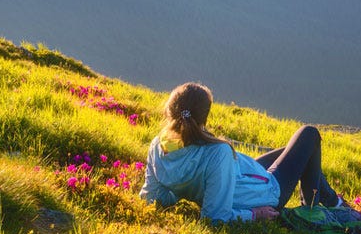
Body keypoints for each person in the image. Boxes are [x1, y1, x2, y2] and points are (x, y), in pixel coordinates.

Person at [139, 82, 343, 223]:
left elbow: (151, 197)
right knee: (309, 135)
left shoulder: (159, 146)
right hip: (263, 194)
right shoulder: (217, 152)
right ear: (204, 118)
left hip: (238, 177)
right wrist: (254, 215)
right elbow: (215, 217)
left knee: (293, 152)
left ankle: (334, 201)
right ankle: (313, 211)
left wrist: (180, 190)